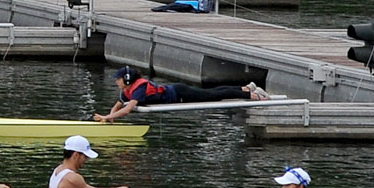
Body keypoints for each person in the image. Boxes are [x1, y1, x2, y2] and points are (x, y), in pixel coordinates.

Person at [96, 66, 270, 123]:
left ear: (126, 80)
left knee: (214, 95)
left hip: (180, 93)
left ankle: (252, 96)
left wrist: (105, 117)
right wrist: (111, 116)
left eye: (118, 79)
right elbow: (119, 105)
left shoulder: (139, 88)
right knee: (213, 93)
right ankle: (245, 88)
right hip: (177, 91)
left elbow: (127, 110)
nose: (116, 82)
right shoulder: (127, 90)